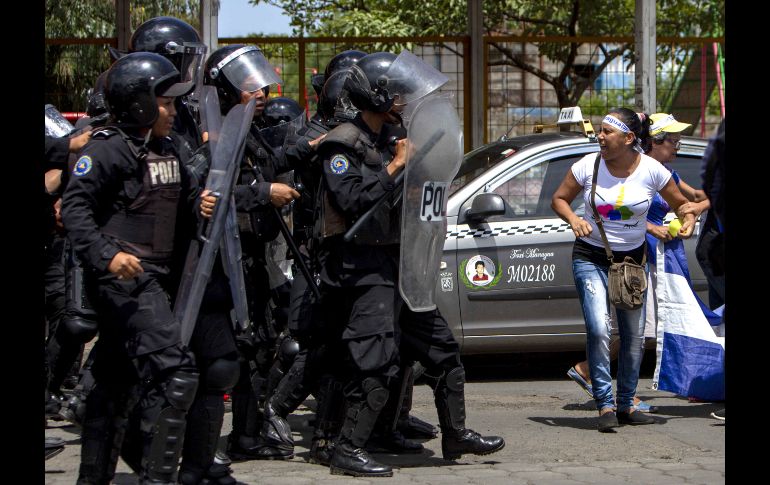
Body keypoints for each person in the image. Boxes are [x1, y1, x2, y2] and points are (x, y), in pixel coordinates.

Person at [315, 50, 504, 477]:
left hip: (403, 265)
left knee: (442, 349)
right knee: (375, 360)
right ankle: (347, 448)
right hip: (364, 270)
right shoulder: (341, 144)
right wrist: (397, 166)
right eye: (398, 96)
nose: (404, 103)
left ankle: (455, 433)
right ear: (376, 96)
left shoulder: (391, 138)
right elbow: (351, 201)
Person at [61, 51, 215, 484]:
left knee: (114, 383)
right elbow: (75, 210)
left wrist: (198, 204)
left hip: (157, 278)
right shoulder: (107, 148)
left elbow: (179, 200)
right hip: (124, 281)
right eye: (165, 103)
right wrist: (108, 255)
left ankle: (92, 478)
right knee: (176, 373)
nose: (173, 110)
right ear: (140, 103)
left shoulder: (168, 148)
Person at [551, 107, 695, 432]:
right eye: (600, 130)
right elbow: (559, 199)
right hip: (590, 257)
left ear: (629, 138)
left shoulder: (652, 170)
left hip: (631, 263)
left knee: (633, 337)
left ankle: (627, 403)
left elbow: (681, 205)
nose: (600, 137)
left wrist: (687, 219)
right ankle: (605, 403)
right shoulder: (587, 165)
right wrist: (573, 219)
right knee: (599, 329)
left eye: (607, 131)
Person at [194, 43, 302, 463]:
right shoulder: (213, 136)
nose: (261, 93)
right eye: (248, 86)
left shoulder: (248, 132)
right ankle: (202, 447)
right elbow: (213, 194)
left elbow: (273, 161)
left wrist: (317, 144)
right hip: (222, 264)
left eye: (262, 86)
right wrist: (264, 192)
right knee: (222, 354)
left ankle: (247, 435)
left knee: (258, 348)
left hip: (253, 259)